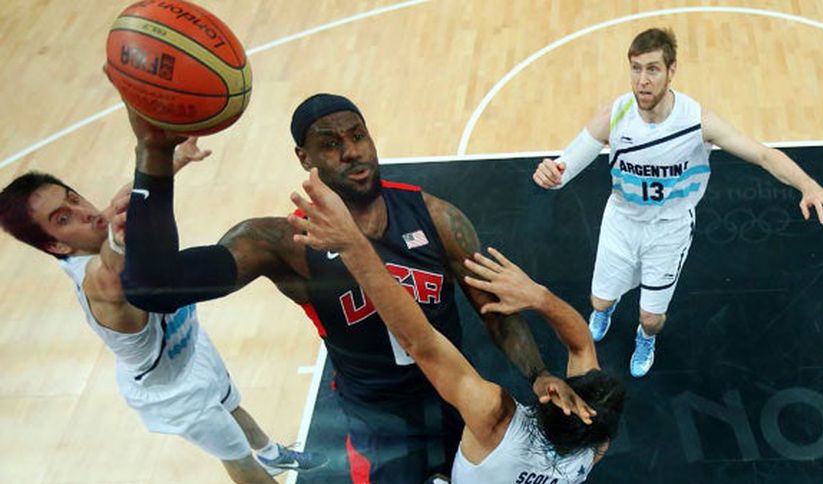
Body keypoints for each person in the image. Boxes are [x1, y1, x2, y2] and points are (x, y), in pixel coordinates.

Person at [120, 94, 575, 482]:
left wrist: (538, 373)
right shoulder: (284, 244)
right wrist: (153, 155)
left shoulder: (435, 216)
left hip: (459, 399)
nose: (352, 152)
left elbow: (493, 311)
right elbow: (155, 287)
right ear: (304, 158)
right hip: (380, 424)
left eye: (358, 136)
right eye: (331, 144)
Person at [0, 143, 327, 483]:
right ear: (57, 246)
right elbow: (111, 271)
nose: (82, 211)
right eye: (63, 218)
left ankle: (273, 454)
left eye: (73, 198)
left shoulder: (99, 224)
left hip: (190, 343)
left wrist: (174, 158)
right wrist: (119, 240)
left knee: (230, 403)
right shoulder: (95, 279)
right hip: (172, 391)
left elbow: (130, 195)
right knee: (239, 460)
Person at [532, 28, 823, 377]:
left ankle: (645, 338)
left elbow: (762, 154)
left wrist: (808, 185)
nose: (642, 80)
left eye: (653, 69)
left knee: (651, 318)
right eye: (636, 68)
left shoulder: (696, 122)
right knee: (599, 301)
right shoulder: (615, 115)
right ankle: (606, 309)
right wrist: (551, 173)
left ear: (672, 70)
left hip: (669, 229)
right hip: (622, 222)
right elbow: (565, 164)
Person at [287, 168, 625, 483]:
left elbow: (421, 342)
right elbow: (582, 345)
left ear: (555, 398)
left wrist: (353, 246)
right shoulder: (592, 448)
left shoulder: (495, 419)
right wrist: (541, 298)